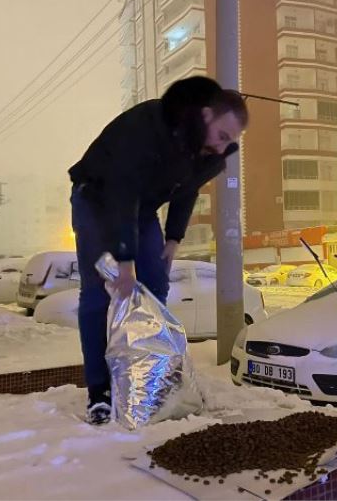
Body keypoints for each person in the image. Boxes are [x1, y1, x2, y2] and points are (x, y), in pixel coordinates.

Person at [68, 76, 248, 424]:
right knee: (97, 294)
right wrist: (124, 261)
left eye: (232, 141)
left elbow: (187, 189)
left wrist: (173, 238)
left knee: (155, 283)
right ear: (206, 115)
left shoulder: (208, 151)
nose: (224, 146)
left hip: (142, 208)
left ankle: (148, 374)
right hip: (96, 198)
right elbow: (122, 191)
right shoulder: (149, 125)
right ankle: (99, 392)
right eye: (223, 136)